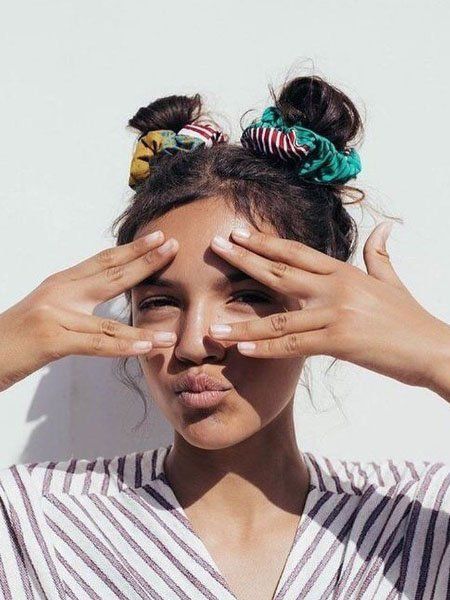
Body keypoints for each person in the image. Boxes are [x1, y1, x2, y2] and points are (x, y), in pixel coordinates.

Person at [0, 73, 449, 600]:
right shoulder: (36, 520)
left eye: (248, 294)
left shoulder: (422, 513)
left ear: (322, 307)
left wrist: (438, 354)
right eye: (160, 302)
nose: (193, 343)